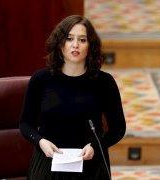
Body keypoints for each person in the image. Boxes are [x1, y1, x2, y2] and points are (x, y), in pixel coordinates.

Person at [19, 15, 126, 179]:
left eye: (82, 40)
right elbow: (25, 123)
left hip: (90, 161)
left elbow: (118, 129)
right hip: (49, 159)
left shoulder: (104, 82)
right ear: (60, 43)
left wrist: (97, 146)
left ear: (90, 46)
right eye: (69, 39)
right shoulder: (41, 79)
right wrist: (40, 141)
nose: (75, 45)